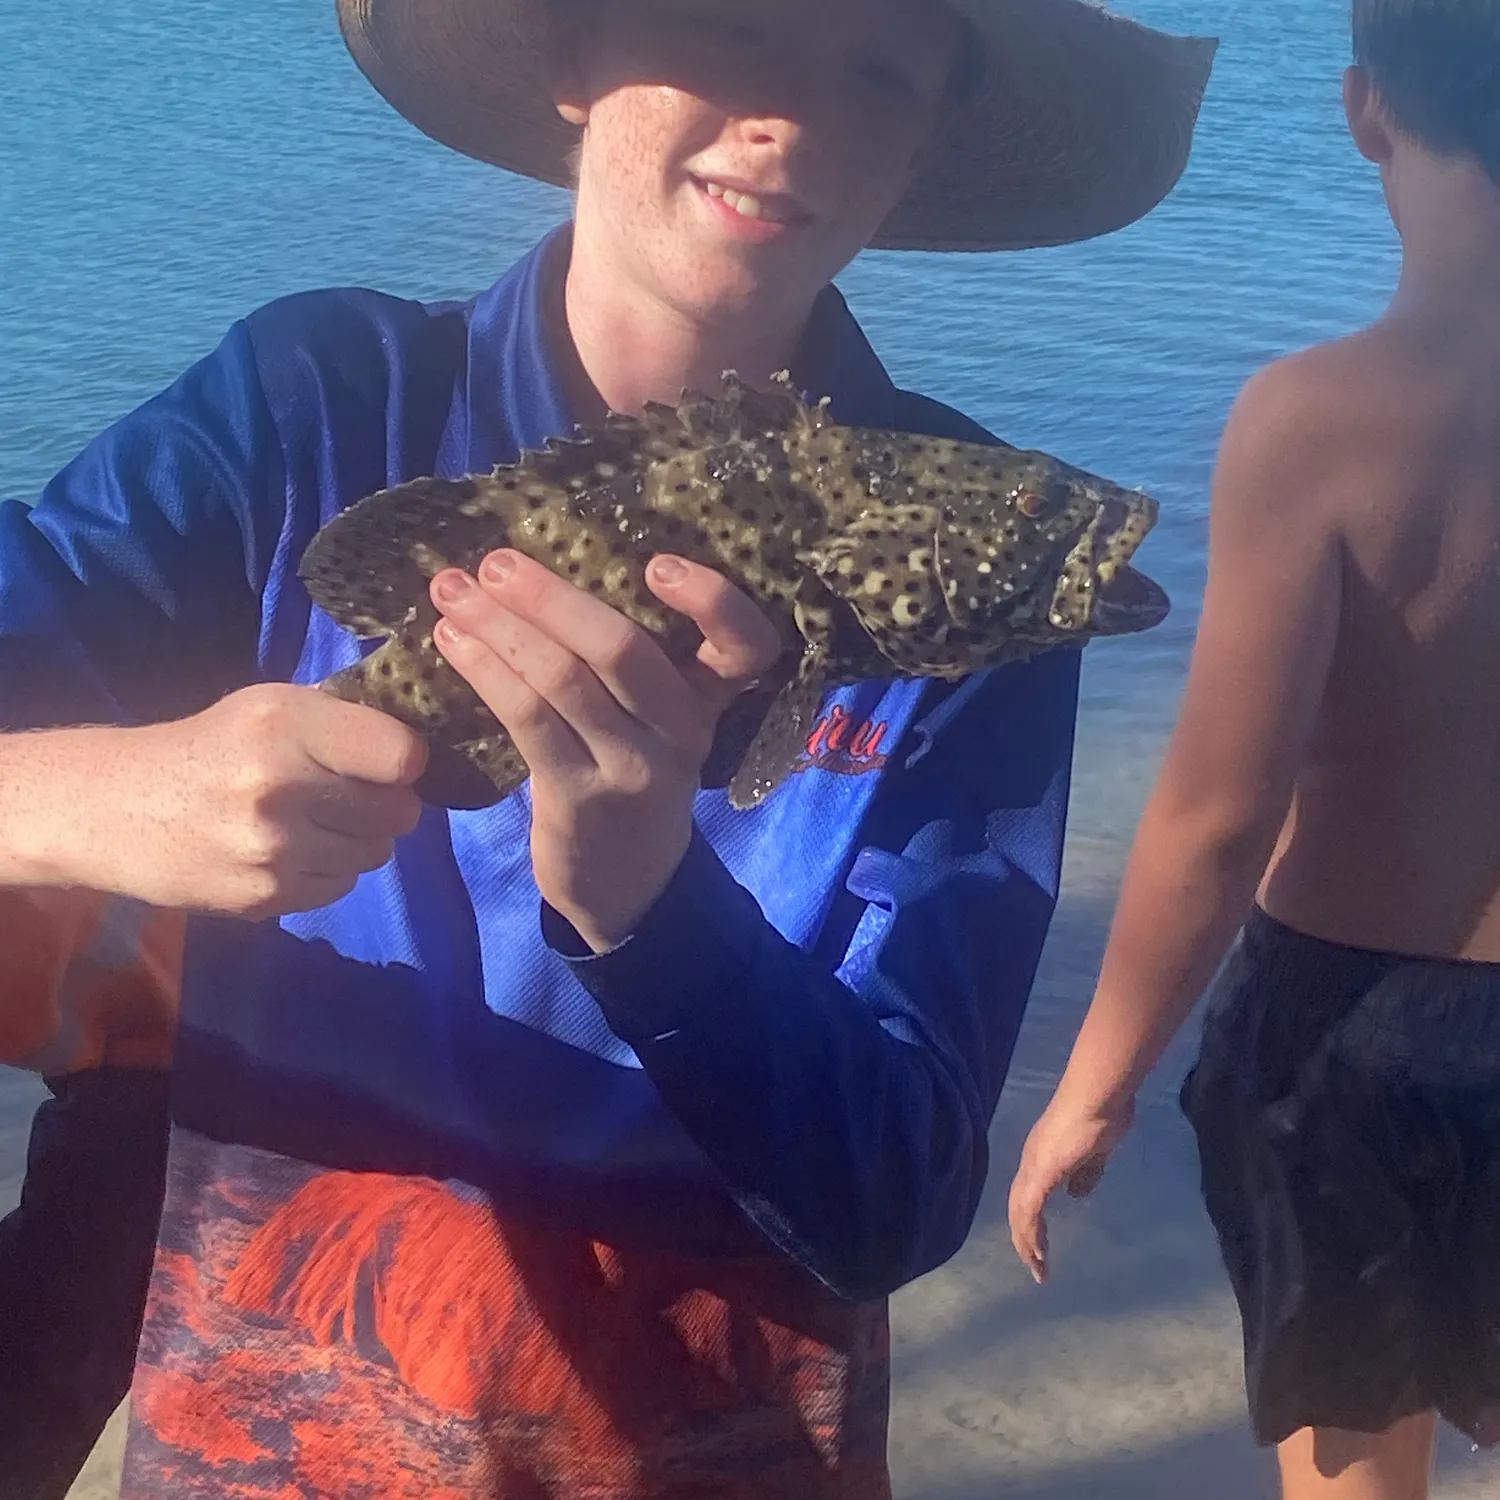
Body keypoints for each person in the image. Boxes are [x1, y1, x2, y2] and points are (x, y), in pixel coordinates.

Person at [0, 0, 1214, 1495]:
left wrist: (652, 914)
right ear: (570, 61)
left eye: (878, 72)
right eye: (737, 27)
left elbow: (896, 1201)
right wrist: (91, 791)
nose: (792, 117)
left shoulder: (969, 610)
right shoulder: (306, 410)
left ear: (924, 147)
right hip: (276, 1435)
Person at [1007, 3, 1500, 1497]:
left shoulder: (1322, 423)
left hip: (1346, 1036)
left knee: (1352, 1457)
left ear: (1365, 114)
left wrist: (1096, 1082)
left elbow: (1218, 819)